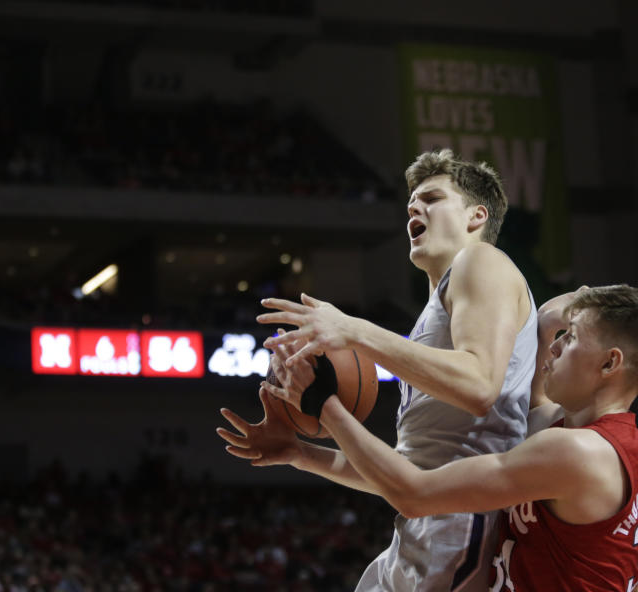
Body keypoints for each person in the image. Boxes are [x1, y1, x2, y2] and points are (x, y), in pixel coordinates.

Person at [220, 149, 538, 592]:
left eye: (431, 198)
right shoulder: (432, 314)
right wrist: (301, 453)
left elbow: (479, 384)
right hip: (417, 529)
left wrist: (355, 331)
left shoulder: (481, 261)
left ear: (476, 216)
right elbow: (407, 472)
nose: (414, 208)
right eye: (411, 203)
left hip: (461, 526)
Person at [226, 284, 638, 591]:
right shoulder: (568, 430)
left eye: (573, 338)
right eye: (563, 336)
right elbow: (544, 321)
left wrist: (324, 402)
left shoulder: (577, 452)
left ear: (609, 364)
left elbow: (414, 493)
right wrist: (299, 453)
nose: (557, 345)